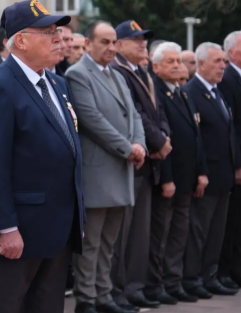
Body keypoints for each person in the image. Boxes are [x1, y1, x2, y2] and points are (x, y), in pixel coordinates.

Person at [0, 0, 84, 313]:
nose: (59, 39)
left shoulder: (57, 83)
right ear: (20, 40)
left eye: (58, 31)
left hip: (55, 230)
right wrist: (6, 227)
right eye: (49, 32)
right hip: (16, 232)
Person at [65, 20, 145, 313]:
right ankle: (86, 298)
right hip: (98, 171)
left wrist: (140, 144)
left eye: (114, 42)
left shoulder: (117, 75)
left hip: (121, 168)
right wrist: (128, 148)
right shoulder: (77, 74)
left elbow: (134, 115)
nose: (111, 48)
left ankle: (103, 295)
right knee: (91, 243)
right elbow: (91, 119)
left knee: (109, 242)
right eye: (105, 42)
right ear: (88, 43)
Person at [109, 20, 170, 310]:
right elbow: (135, 116)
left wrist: (163, 138)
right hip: (132, 161)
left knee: (139, 235)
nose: (142, 44)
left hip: (147, 162)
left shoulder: (142, 71)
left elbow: (158, 112)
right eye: (136, 39)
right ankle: (117, 291)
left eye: (144, 39)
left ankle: (134, 287)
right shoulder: (119, 71)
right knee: (122, 236)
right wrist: (156, 143)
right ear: (119, 45)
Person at [182, 42, 241, 298]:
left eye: (224, 61)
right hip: (206, 174)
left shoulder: (217, 92)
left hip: (223, 174)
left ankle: (210, 275)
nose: (222, 66)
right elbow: (195, 139)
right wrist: (201, 172)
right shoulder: (191, 92)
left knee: (216, 232)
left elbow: (230, 133)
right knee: (198, 231)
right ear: (201, 64)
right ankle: (192, 277)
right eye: (217, 61)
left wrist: (238, 165)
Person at [145, 42, 206, 304]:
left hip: (187, 177)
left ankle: (173, 281)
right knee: (161, 235)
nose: (176, 66)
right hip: (169, 178)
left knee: (179, 234)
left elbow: (196, 135)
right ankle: (156, 284)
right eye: (170, 61)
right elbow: (164, 139)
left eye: (178, 61)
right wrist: (167, 178)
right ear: (156, 66)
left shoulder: (181, 92)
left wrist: (201, 171)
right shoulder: (157, 92)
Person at [217, 31, 241, 288]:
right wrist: (238, 163)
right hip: (239, 158)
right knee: (235, 217)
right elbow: (231, 128)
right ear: (231, 53)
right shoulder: (227, 80)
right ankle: (228, 269)